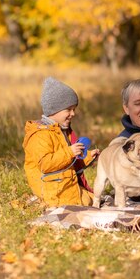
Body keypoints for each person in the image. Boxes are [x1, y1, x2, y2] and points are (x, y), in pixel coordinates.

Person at [22, 77, 100, 207]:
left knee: (95, 199)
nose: (73, 113)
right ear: (54, 110)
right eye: (68, 109)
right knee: (88, 203)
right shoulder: (40, 135)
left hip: (65, 185)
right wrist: (70, 152)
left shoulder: (61, 130)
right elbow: (46, 164)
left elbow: (70, 162)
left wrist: (88, 156)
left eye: (74, 109)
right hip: (52, 190)